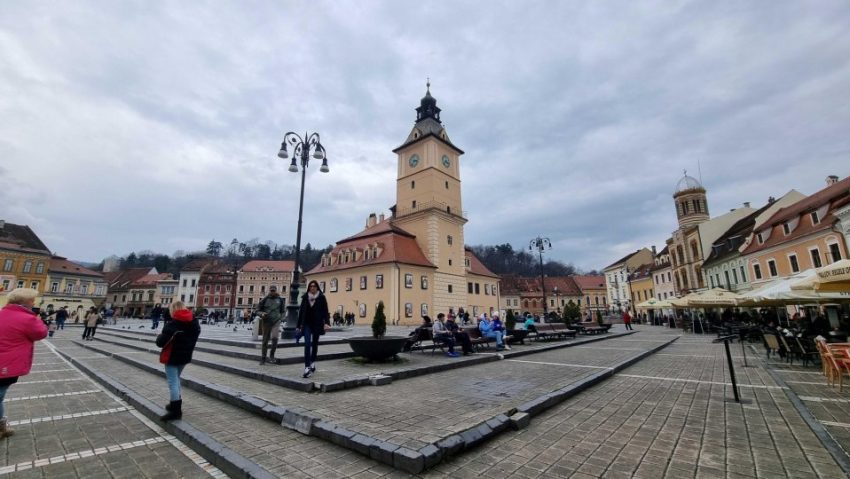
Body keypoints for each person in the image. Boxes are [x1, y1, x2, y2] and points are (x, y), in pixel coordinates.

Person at [0, 288, 49, 438]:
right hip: (7, 364)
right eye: (32, 300)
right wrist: (36, 317)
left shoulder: (2, 313)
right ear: (25, 302)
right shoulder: (27, 318)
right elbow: (41, 333)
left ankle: (2, 426)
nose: (34, 302)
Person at [156, 301, 200, 421]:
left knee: (173, 382)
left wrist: (160, 336)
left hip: (172, 357)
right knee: (176, 380)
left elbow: (160, 343)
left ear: (173, 310)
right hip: (185, 357)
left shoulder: (172, 325)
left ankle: (176, 411)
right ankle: (174, 403)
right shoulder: (194, 323)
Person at [296, 280, 330, 378]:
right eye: (311, 286)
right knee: (307, 344)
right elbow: (301, 312)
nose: (312, 287)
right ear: (309, 288)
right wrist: (298, 326)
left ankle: (312, 361)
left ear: (317, 287)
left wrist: (327, 322)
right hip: (307, 324)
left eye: (314, 286)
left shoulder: (321, 298)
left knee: (315, 344)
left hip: (317, 324)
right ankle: (307, 367)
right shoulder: (305, 297)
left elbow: (325, 311)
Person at [256, 285, 285, 365]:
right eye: (271, 290)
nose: (272, 292)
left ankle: (272, 355)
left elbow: (283, 311)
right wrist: (261, 314)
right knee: (265, 340)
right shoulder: (265, 299)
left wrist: (281, 318)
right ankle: (263, 358)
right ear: (269, 291)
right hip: (266, 322)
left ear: (276, 290)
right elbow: (257, 310)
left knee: (275, 338)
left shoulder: (280, 299)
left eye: (274, 290)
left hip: (276, 321)